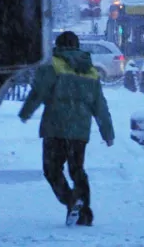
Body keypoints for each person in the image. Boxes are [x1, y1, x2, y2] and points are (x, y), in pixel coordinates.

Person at [18, 30, 116, 227]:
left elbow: (39, 92)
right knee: (77, 170)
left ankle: (72, 201)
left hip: (56, 128)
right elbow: (100, 106)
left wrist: (26, 112)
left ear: (59, 45)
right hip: (80, 131)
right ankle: (84, 214)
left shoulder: (52, 65)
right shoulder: (91, 71)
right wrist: (108, 133)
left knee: (52, 169)